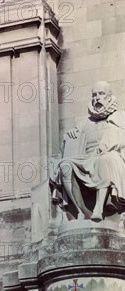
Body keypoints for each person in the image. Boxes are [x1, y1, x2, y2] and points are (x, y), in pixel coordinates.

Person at [53, 81, 125, 222]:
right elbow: (67, 147)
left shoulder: (120, 117)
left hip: (108, 157)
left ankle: (98, 209)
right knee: (65, 165)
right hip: (85, 159)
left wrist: (112, 144)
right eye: (94, 95)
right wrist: (70, 136)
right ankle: (79, 211)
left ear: (110, 97)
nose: (97, 98)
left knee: (106, 159)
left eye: (101, 93)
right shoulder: (85, 123)